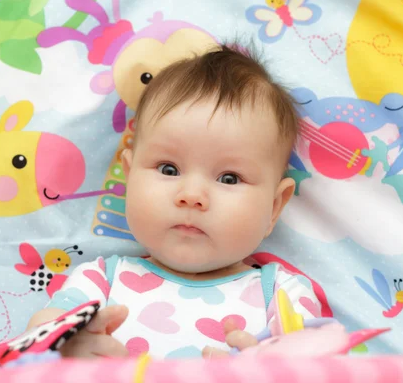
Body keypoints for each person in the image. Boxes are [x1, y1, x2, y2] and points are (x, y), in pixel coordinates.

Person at [25, 44, 324, 359]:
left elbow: (323, 366)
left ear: (274, 207)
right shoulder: (98, 280)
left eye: (229, 178)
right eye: (169, 169)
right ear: (129, 180)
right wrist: (67, 349)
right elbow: (33, 344)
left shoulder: (283, 294)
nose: (192, 196)